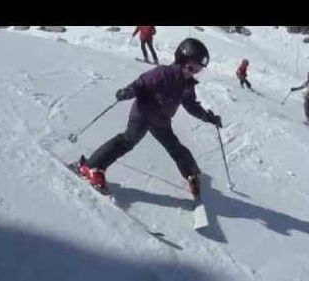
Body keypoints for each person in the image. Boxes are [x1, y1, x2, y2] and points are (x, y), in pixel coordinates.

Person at [75, 38, 222, 198]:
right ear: (181, 60)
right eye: (191, 67)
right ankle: (90, 167)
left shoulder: (187, 85)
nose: (193, 72)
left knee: (175, 148)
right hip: (143, 114)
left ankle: (191, 173)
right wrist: (128, 91)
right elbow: (141, 84)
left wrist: (208, 117)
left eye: (198, 70)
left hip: (161, 121)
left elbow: (191, 106)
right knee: (128, 140)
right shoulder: (162, 74)